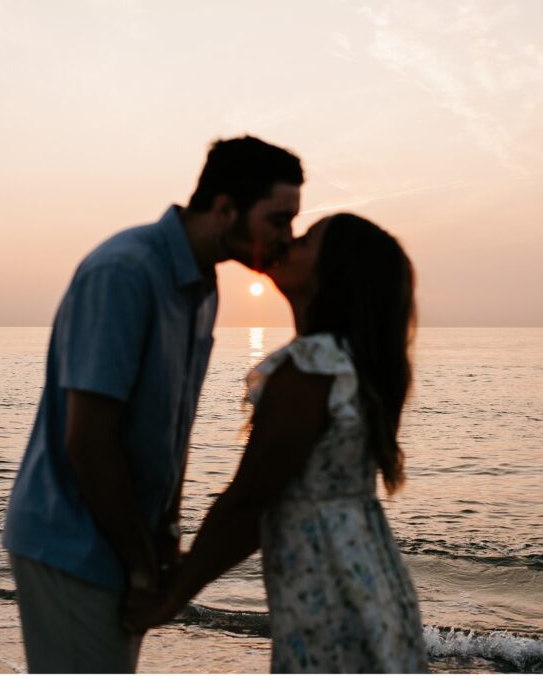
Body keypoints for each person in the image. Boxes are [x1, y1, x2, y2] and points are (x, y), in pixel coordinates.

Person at [1, 136, 304, 673]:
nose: (288, 237)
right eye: (278, 220)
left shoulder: (204, 290)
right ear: (225, 208)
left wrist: (164, 540)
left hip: (125, 541)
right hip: (71, 540)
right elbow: (88, 439)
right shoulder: (125, 272)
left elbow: (169, 431)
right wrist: (143, 563)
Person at [125, 213, 429, 673]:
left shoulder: (309, 371)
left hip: (329, 591)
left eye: (305, 240)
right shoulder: (351, 365)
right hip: (372, 580)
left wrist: (171, 598)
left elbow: (248, 502)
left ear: (334, 273)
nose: (288, 242)